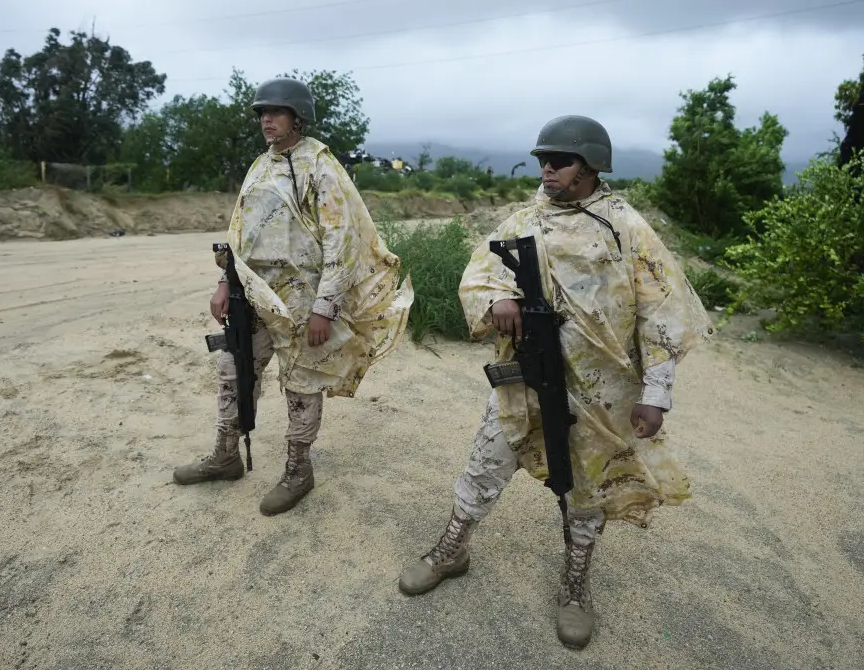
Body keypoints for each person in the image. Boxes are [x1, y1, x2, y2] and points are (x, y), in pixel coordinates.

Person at [396, 114, 713, 650]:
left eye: (560, 161)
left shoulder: (625, 226)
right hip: (526, 376)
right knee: (488, 459)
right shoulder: (523, 221)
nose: (547, 168)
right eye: (543, 158)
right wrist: (497, 297)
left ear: (589, 167)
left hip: (601, 387)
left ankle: (575, 584)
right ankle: (453, 549)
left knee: (587, 485)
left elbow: (661, 311)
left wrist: (656, 395)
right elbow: (479, 271)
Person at [172, 77, 414, 516]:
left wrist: (326, 307)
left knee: (302, 384)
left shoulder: (320, 167)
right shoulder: (259, 167)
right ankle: (226, 455)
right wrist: (226, 281)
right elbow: (238, 230)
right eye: (262, 113)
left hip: (305, 301)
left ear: (297, 119)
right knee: (233, 368)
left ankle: (299, 469)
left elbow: (341, 239)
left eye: (276, 112)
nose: (266, 119)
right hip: (255, 296)